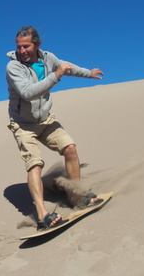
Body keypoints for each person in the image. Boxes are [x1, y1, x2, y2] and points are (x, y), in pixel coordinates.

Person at [6, 26, 104, 230]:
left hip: (46, 121)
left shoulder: (48, 58)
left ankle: (78, 197)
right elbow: (28, 92)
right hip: (23, 125)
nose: (21, 51)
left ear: (37, 44)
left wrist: (89, 73)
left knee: (70, 149)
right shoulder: (13, 67)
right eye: (19, 47)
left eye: (26, 46)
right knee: (35, 164)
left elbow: (67, 67)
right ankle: (42, 216)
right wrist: (56, 76)